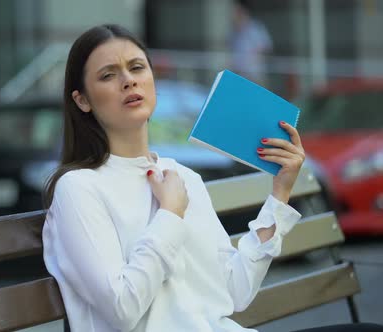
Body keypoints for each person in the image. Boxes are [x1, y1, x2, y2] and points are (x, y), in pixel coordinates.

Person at [41, 24, 382, 332]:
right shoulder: (79, 188)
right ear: (82, 100)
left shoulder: (182, 176)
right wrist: (170, 214)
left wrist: (280, 193)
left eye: (136, 67)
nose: (128, 80)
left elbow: (234, 293)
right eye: (108, 75)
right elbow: (122, 310)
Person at [229, 0, 273, 87]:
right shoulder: (233, 31)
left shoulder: (255, 28)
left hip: (254, 76)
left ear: (243, 12)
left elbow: (265, 48)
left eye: (236, 11)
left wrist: (251, 61)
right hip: (239, 74)